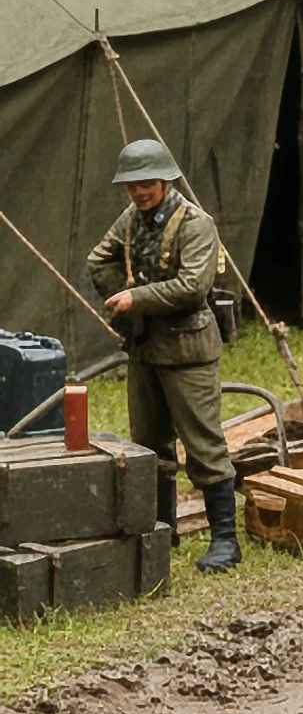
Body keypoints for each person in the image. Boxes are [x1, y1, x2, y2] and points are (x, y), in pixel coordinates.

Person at [86, 139, 239, 573]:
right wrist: (123, 303)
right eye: (133, 185)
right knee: (149, 446)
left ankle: (225, 540)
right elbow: (99, 259)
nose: (140, 192)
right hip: (146, 349)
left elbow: (193, 287)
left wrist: (136, 297)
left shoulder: (194, 223)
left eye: (148, 183)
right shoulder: (131, 221)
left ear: (166, 179)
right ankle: (161, 529)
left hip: (189, 351)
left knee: (205, 446)